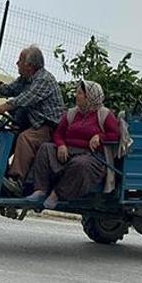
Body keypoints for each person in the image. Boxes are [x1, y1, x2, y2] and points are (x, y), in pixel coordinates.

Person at [0, 45, 64, 196]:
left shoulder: (44, 79)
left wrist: (4, 107)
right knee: (6, 136)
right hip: (32, 124)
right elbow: (9, 90)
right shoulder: (25, 79)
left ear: (30, 65)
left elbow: (26, 98)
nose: (17, 63)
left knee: (25, 138)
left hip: (48, 127)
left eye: (20, 60)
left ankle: (17, 181)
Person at [27, 80, 119, 209]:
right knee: (45, 148)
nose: (76, 95)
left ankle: (57, 194)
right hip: (68, 151)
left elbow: (115, 135)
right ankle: (40, 190)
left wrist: (100, 137)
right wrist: (61, 145)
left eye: (80, 93)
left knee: (80, 164)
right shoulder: (72, 113)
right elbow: (58, 133)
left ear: (89, 96)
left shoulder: (104, 115)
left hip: (92, 157)